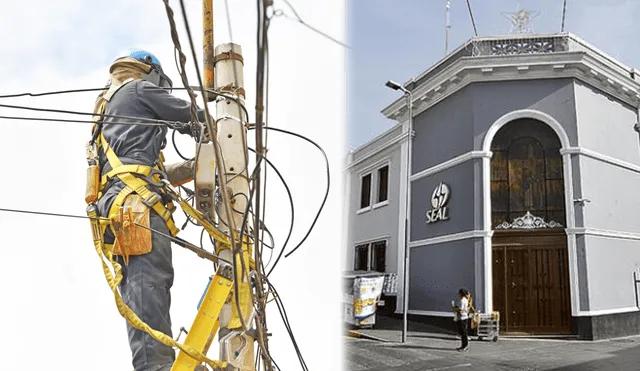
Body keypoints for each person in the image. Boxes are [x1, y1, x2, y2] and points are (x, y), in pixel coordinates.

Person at [90, 49, 207, 371]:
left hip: (120, 201)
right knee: (149, 283)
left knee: (140, 287)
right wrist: (226, 127)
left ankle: (153, 362)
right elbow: (195, 119)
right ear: (150, 73)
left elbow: (142, 169)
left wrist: (194, 167)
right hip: (133, 204)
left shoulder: (105, 112)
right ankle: (155, 366)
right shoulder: (138, 88)